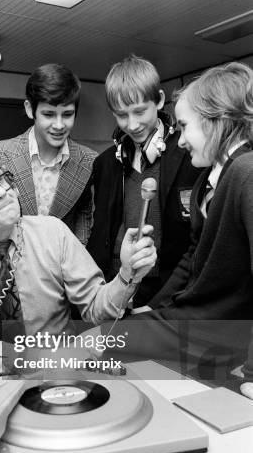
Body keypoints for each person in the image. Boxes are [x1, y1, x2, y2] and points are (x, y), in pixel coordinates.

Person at [0, 147, 156, 373]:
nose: (3, 192)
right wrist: (42, 358)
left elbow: (97, 311)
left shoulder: (52, 232)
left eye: (2, 180)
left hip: (66, 376)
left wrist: (126, 274)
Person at [98, 61, 253, 395]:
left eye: (184, 127)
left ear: (218, 123)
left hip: (219, 330)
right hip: (194, 321)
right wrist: (155, 308)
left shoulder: (247, 172)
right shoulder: (206, 182)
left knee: (102, 341)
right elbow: (193, 257)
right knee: (106, 340)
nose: (179, 140)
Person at [87, 55, 201, 306]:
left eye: (140, 112)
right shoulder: (105, 163)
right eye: (121, 115)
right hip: (116, 285)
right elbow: (100, 233)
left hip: (169, 289)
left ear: (160, 100)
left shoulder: (190, 154)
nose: (132, 124)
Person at [0, 63, 96, 245]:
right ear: (30, 109)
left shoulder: (89, 161)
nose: (59, 125)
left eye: (67, 114)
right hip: (10, 266)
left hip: (64, 267)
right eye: (49, 114)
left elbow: (83, 221)